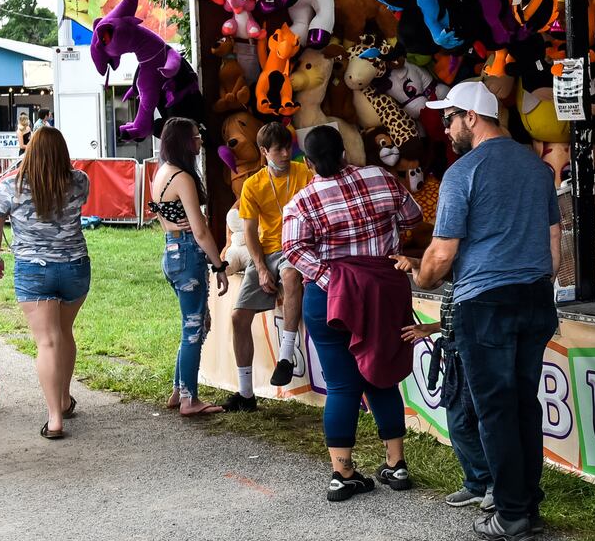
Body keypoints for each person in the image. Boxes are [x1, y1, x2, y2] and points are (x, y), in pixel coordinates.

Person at [398, 80, 560, 541]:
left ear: (471, 117)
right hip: (533, 299)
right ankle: (526, 504)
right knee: (524, 406)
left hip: (485, 305)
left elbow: (442, 253)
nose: (446, 130)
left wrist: (421, 278)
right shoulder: (537, 169)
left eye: (449, 119)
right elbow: (554, 251)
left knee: (495, 412)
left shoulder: (462, 172)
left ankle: (510, 515)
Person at [283, 126, 421, 502]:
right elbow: (413, 215)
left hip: (330, 298)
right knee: (382, 376)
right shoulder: (379, 175)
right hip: (383, 290)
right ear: (344, 152)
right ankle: (397, 465)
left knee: (343, 386)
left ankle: (342, 473)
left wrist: (334, 279)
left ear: (308, 162)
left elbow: (293, 251)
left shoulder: (302, 201)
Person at [0, 126, 91, 440]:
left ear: (29, 152)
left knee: (47, 341)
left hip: (33, 270)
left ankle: (55, 418)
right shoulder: (79, 181)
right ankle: (65, 398)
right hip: (74, 267)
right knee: (65, 332)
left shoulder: (8, 188)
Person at [148, 118, 230, 417]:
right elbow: (201, 230)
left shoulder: (162, 173)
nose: (199, 142)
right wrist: (219, 264)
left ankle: (178, 389)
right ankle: (189, 398)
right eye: (196, 137)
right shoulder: (182, 176)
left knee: (194, 323)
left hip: (171, 251)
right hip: (187, 252)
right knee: (194, 327)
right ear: (185, 142)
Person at [228, 121, 310, 408]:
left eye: (288, 148)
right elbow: (249, 232)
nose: (286, 154)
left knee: (290, 276)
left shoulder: (305, 173)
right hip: (266, 251)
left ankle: (286, 356)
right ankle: (246, 393)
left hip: (296, 247)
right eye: (278, 150)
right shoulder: (253, 184)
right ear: (264, 151)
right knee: (238, 318)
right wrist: (261, 268)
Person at [401, 290, 494, 511]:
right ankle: (476, 483)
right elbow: (455, 315)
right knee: (457, 422)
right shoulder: (458, 274)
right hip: (456, 351)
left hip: (471, 351)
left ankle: (492, 482)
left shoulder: (470, 270)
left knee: (464, 423)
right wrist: (432, 328)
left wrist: (417, 265)